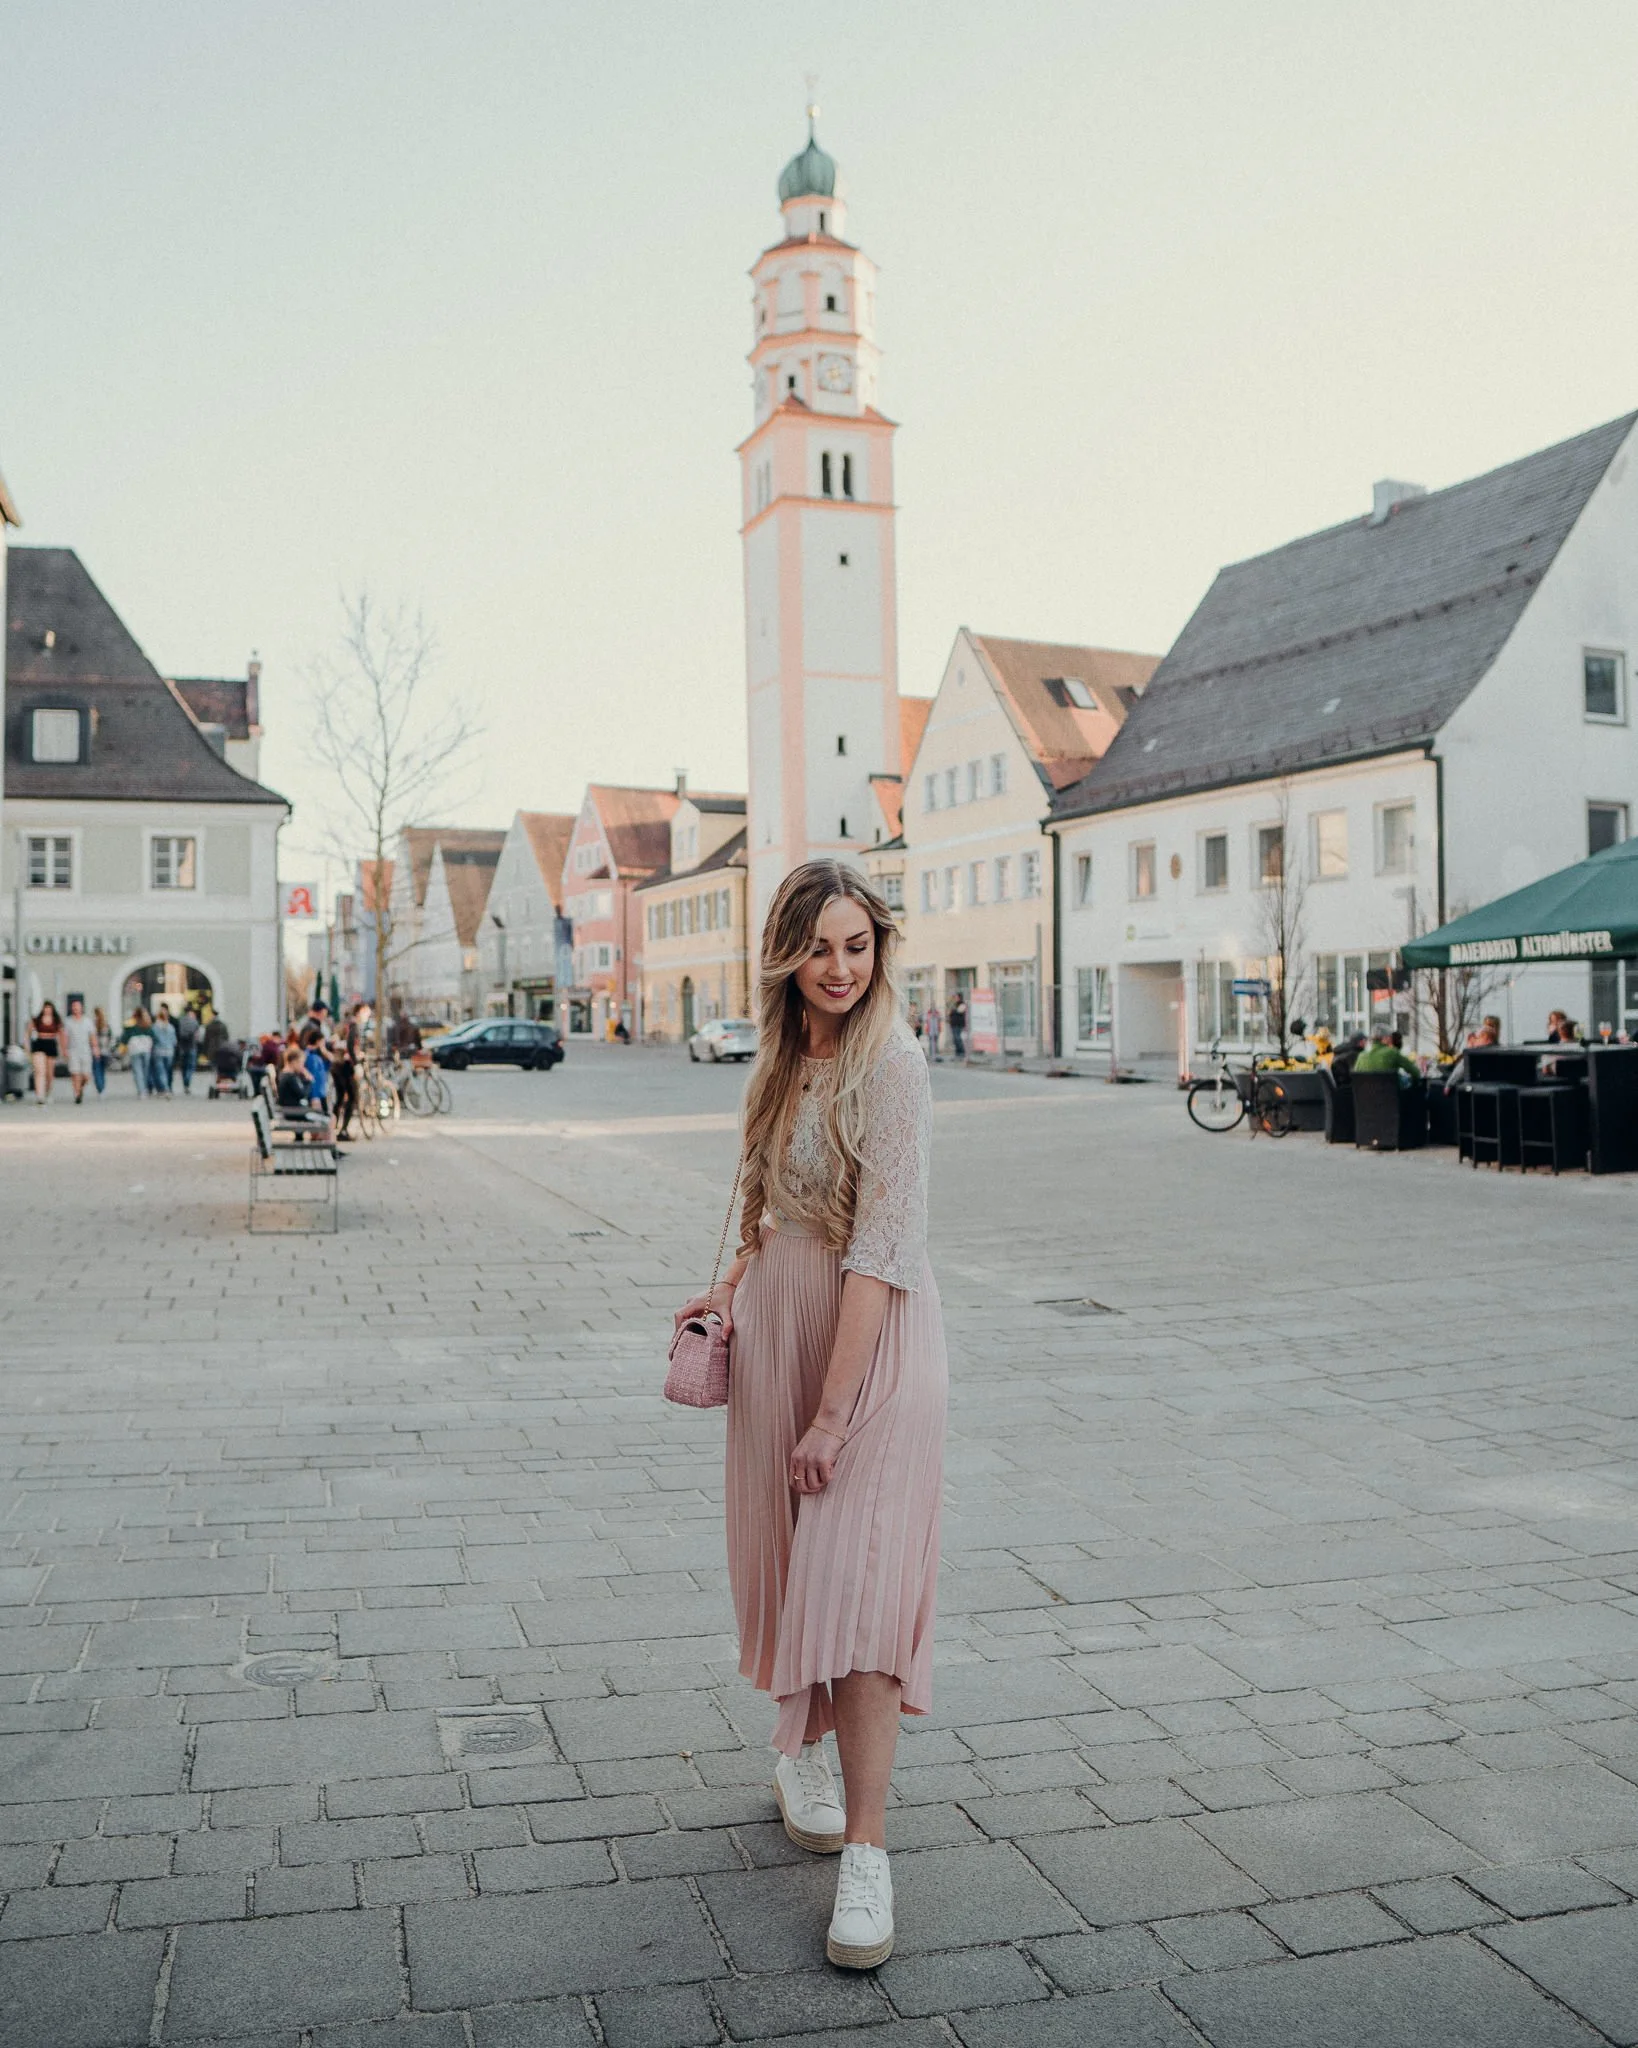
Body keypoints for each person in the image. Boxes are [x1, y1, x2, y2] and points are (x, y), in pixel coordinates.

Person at [673, 860, 947, 1970]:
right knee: (793, 1564)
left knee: (863, 1590)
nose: (842, 969)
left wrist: (832, 1419)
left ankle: (869, 1856)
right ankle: (803, 1749)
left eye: (858, 944)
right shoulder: (783, 1058)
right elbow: (767, 1201)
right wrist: (731, 1286)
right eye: (821, 947)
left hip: (872, 1340)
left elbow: (881, 1251)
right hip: (784, 1316)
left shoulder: (895, 1065)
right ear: (788, 953)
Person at [1354, 1027, 1420, 1086]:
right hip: (1390, 1097)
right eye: (1390, 1037)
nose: (1391, 1040)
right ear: (1385, 1038)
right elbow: (1415, 1072)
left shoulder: (1361, 1056)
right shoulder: (1392, 1052)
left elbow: (1356, 1080)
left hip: (1365, 1098)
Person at [62, 999, 96, 1104]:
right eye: (74, 1007)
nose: (76, 1009)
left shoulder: (87, 1021)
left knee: (86, 1075)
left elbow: (92, 1036)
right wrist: (64, 1049)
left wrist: (95, 1047)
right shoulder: (68, 1022)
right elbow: (65, 1037)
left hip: (85, 1050)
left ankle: (80, 1088)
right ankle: (77, 1094)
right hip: (73, 1050)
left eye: (77, 1007)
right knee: (75, 1073)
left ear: (81, 1008)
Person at [28, 1001, 63, 1105]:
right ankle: (40, 1095)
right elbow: (28, 1032)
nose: (47, 1010)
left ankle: (48, 1091)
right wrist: (27, 1046)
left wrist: (63, 1049)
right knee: (40, 1071)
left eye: (49, 1008)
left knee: (49, 1073)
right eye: (46, 1008)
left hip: (51, 1043)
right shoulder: (37, 1020)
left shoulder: (56, 1020)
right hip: (39, 1043)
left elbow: (61, 1034)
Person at [122, 1009, 155, 1097]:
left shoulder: (131, 1025)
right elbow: (154, 1036)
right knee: (145, 1071)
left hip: (135, 1050)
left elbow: (125, 1037)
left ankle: (141, 1090)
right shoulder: (147, 1025)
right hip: (146, 1050)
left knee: (138, 1071)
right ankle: (144, 1088)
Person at [150, 1006, 178, 1095]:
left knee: (160, 1071)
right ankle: (168, 1087)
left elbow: (153, 1040)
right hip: (169, 1051)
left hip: (158, 1051)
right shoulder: (170, 1027)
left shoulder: (155, 1027)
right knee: (168, 1071)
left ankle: (164, 1088)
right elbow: (174, 1041)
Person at [175, 1003, 203, 1093]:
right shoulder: (194, 1021)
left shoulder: (180, 1021)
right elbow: (197, 1036)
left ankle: (185, 1082)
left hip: (182, 1047)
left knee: (183, 1066)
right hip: (192, 1046)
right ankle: (187, 1081)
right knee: (190, 1066)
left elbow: (177, 1034)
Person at [91, 1008, 110, 1095]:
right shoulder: (106, 1025)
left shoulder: (93, 1024)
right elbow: (110, 1037)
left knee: (97, 1070)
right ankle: (102, 1087)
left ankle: (100, 1088)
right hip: (105, 1050)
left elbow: (90, 1038)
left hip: (95, 1051)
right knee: (102, 1070)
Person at [947, 992, 968, 1062]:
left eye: (956, 997)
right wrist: (951, 1001)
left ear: (959, 997)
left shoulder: (962, 1004)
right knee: (955, 1039)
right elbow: (948, 1008)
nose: (955, 998)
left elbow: (958, 1011)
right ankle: (957, 1052)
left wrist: (952, 1011)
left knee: (958, 1038)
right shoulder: (954, 1004)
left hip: (958, 1024)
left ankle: (961, 1052)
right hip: (953, 1024)